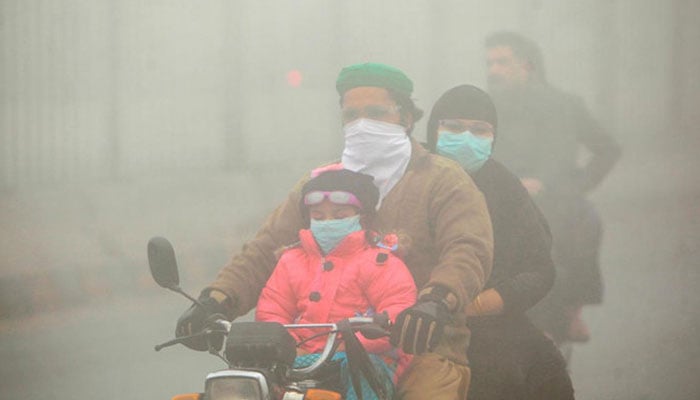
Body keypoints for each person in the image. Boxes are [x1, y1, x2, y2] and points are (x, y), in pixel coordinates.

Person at [176, 62, 494, 400]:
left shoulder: (443, 180)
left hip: (422, 347)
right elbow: (264, 250)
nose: (362, 124)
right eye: (351, 115)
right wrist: (216, 300)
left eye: (376, 113)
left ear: (406, 118)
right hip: (312, 356)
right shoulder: (320, 185)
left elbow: (467, 249)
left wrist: (435, 302)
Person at [425, 84, 575, 399]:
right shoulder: (409, 176)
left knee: (541, 372)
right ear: (432, 128)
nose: (465, 138)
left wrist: (478, 305)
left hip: (489, 324)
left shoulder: (505, 186)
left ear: (494, 137)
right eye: (453, 127)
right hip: (407, 318)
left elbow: (539, 269)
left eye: (479, 130)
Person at [484, 31, 622, 346]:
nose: (493, 70)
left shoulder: (566, 105)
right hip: (501, 199)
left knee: (586, 222)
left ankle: (572, 311)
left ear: (528, 65)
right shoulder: (487, 108)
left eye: (502, 62)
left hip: (558, 199)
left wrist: (576, 185)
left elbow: (607, 149)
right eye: (489, 63)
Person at [256, 167, 417, 400]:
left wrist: (351, 345)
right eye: (318, 217)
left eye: (340, 216)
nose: (328, 222)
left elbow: (399, 312)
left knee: (355, 370)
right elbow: (272, 311)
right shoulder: (291, 261)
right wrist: (286, 347)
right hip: (298, 359)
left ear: (363, 217)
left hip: (364, 360)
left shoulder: (380, 262)